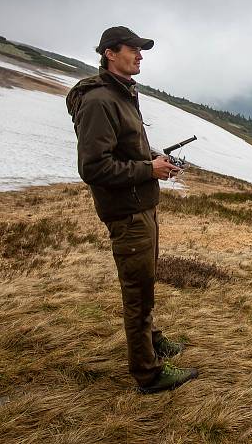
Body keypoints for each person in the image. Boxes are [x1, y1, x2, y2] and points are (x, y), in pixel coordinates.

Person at [66, 26, 198, 393]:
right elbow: (93, 168)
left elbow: (125, 146)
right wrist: (148, 169)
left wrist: (152, 155)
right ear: (110, 53)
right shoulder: (99, 101)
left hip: (141, 205)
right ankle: (148, 374)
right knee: (137, 291)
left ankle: (152, 340)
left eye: (142, 50)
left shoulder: (122, 93)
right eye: (133, 49)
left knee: (145, 281)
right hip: (127, 211)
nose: (140, 55)